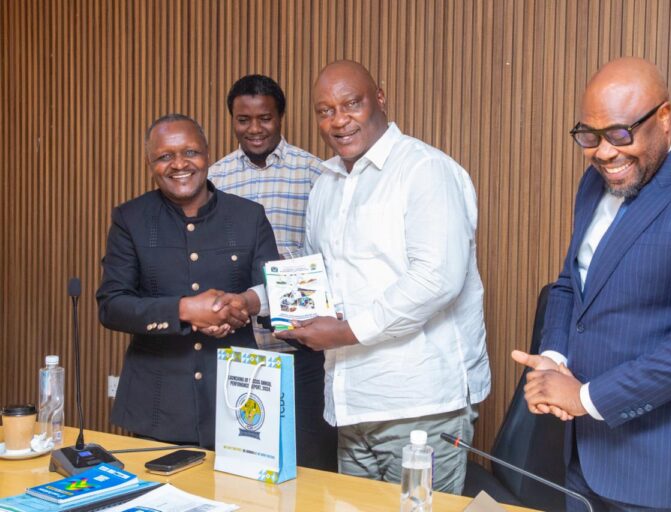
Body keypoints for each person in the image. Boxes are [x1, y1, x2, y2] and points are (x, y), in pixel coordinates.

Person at [512, 57, 671, 511]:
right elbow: (572, 284)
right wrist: (553, 358)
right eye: (589, 136)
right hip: (584, 460)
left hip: (666, 474)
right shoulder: (595, 183)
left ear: (663, 117)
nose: (604, 153)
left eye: (619, 134)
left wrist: (586, 397)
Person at [275, 60, 491, 494]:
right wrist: (251, 301)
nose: (338, 120)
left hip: (421, 407)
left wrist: (346, 332)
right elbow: (314, 277)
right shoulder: (326, 185)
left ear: (380, 97)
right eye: (325, 111)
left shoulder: (424, 170)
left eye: (350, 104)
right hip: (351, 404)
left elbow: (436, 279)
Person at [97, 114, 279, 449]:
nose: (179, 164)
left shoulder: (248, 216)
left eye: (190, 152)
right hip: (157, 405)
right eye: (165, 156)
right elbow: (112, 305)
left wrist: (241, 305)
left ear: (208, 154)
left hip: (240, 401)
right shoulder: (130, 219)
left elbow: (275, 289)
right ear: (150, 164)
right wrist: (184, 310)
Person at [208, 74, 337, 471]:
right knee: (241, 461)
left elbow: (328, 256)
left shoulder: (316, 174)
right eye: (243, 119)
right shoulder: (214, 178)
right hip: (238, 346)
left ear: (281, 117)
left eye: (264, 118)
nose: (255, 129)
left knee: (310, 464)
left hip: (300, 346)